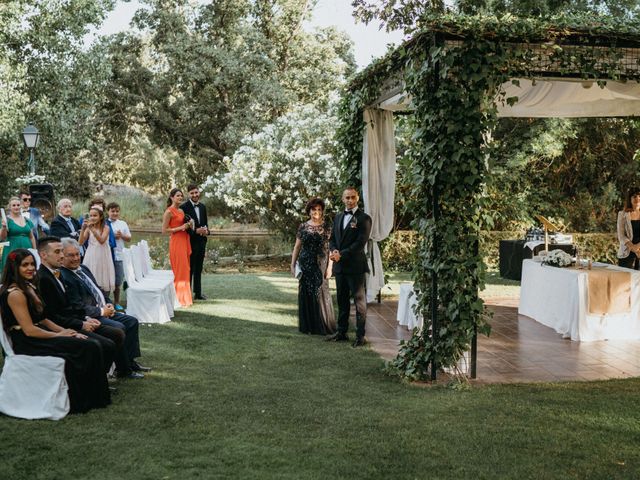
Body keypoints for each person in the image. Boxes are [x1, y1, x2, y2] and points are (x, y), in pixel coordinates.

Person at [0, 248, 111, 413]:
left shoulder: (29, 286)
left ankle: (94, 397)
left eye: (32, 264)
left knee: (90, 343)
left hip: (40, 333)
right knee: (87, 347)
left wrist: (67, 331)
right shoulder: (15, 294)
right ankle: (80, 401)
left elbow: (44, 319)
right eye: (25, 265)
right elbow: (30, 330)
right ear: (14, 268)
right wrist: (60, 335)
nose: (30, 268)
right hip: (27, 341)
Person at [37, 236, 128, 377]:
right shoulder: (44, 278)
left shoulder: (57, 273)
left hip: (78, 318)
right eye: (57, 252)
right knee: (105, 342)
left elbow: (71, 306)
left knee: (117, 334)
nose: (61, 255)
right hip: (64, 326)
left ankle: (101, 376)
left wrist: (87, 318)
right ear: (43, 255)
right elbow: (53, 315)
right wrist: (82, 323)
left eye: (62, 251)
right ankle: (96, 379)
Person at [60, 238, 150, 377]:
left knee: (132, 321)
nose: (76, 258)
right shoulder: (65, 276)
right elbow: (78, 306)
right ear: (62, 256)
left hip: (104, 310)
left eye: (77, 254)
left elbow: (98, 289)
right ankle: (123, 369)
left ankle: (130, 361)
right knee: (118, 327)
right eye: (70, 255)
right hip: (91, 316)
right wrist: (102, 311)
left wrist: (108, 303)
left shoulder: (83, 268)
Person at [326, 187, 372, 347]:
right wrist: (334, 250)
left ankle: (360, 336)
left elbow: (360, 243)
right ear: (343, 199)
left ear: (357, 198)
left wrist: (341, 254)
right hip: (340, 268)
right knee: (342, 301)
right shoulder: (338, 217)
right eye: (347, 198)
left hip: (355, 267)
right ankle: (341, 332)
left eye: (353, 197)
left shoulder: (364, 218)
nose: (350, 200)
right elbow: (332, 239)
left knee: (359, 302)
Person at [290, 198, 336, 335]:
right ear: (309, 211)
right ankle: (308, 326)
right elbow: (297, 247)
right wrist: (293, 264)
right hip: (305, 263)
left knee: (322, 292)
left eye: (319, 210)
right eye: (314, 209)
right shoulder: (303, 226)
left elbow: (331, 248)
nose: (316, 212)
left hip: (321, 264)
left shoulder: (327, 226)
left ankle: (323, 325)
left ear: (322, 212)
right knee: (306, 292)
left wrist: (330, 267)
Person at [162, 188, 193, 307]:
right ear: (172, 197)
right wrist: (180, 228)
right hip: (176, 242)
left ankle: (185, 299)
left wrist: (189, 225)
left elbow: (184, 225)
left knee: (185, 269)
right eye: (178, 196)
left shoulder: (181, 211)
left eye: (181, 196)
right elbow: (164, 231)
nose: (180, 198)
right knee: (180, 270)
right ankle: (179, 300)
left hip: (185, 240)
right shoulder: (169, 212)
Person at [181, 184, 209, 300]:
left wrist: (207, 231)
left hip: (202, 242)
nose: (195, 195)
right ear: (188, 194)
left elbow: (206, 223)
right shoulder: (184, 207)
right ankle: (187, 293)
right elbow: (184, 227)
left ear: (199, 192)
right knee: (190, 268)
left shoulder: (203, 207)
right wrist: (196, 231)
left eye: (196, 192)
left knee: (199, 268)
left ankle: (198, 293)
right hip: (190, 242)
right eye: (192, 193)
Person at [79, 205, 115, 295]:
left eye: (95, 215)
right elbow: (80, 243)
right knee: (92, 275)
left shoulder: (106, 228)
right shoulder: (88, 228)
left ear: (101, 216)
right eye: (91, 216)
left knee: (103, 277)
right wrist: (83, 230)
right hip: (91, 254)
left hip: (103, 255)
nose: (92, 218)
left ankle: (105, 298)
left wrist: (92, 229)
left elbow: (102, 241)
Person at [0, 197, 36, 272]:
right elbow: (3, 238)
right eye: (13, 205)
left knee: (27, 268)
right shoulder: (6, 220)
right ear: (9, 207)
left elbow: (32, 237)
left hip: (27, 248)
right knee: (14, 269)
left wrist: (34, 250)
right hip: (12, 248)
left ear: (21, 206)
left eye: (18, 205)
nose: (16, 207)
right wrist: (3, 227)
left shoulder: (27, 220)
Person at [106, 202, 131, 309]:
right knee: (105, 280)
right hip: (107, 255)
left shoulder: (123, 223)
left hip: (119, 255)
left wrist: (121, 235)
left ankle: (116, 302)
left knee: (118, 280)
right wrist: (111, 236)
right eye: (112, 211)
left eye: (117, 211)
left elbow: (129, 238)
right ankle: (105, 301)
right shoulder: (105, 223)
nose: (115, 213)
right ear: (108, 212)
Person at [617, 186, 640, 269]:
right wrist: (633, 248)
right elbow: (621, 236)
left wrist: (637, 248)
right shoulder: (622, 214)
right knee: (626, 281)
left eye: (639, 196)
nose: (637, 199)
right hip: (626, 254)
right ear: (630, 199)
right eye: (634, 196)